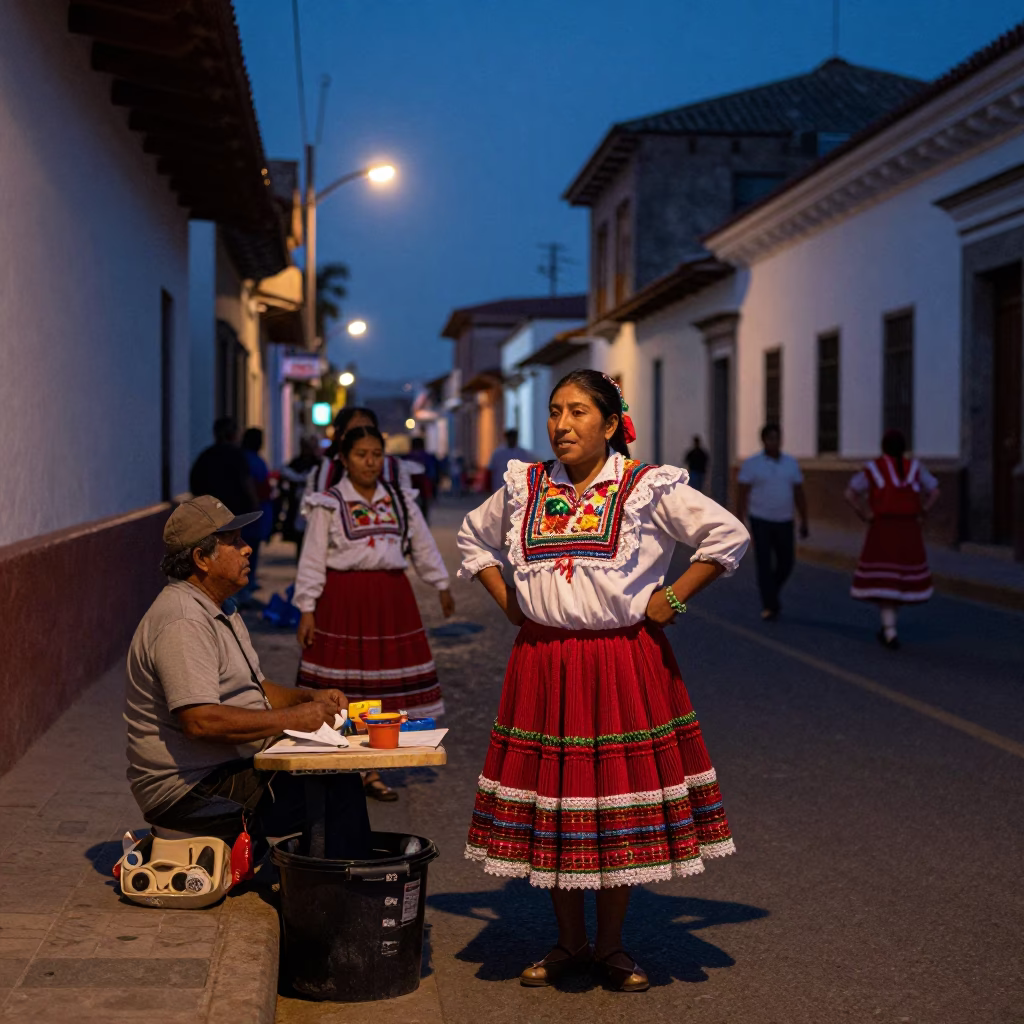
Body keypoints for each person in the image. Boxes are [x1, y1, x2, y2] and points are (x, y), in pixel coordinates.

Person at [457, 369, 748, 992]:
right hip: (543, 662)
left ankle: (612, 946)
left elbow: (727, 534)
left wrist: (675, 595)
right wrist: (511, 602)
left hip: (620, 660)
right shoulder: (525, 484)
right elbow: (472, 538)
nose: (561, 425)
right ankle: (568, 942)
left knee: (610, 802)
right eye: (555, 412)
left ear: (612, 425)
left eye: (579, 412)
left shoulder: (645, 487)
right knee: (557, 803)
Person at [125, 495, 369, 859]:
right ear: (201, 558)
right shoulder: (183, 621)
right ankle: (333, 899)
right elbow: (200, 722)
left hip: (223, 769)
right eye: (234, 542)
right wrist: (292, 720)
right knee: (333, 790)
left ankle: (327, 882)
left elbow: (255, 689)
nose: (247, 549)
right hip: (190, 790)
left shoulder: (219, 606)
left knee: (332, 772)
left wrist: (308, 699)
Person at [295, 426, 455, 801]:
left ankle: (374, 765)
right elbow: (313, 557)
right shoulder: (329, 503)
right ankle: (348, 763)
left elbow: (422, 544)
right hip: (343, 601)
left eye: (376, 454)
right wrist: (306, 608)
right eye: (361, 454)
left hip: (391, 600)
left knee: (383, 686)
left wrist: (441, 583)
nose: (369, 462)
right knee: (350, 685)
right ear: (345, 460)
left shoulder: (400, 499)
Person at [845, 430, 940, 650]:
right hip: (909, 530)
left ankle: (889, 629)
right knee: (901, 579)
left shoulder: (873, 468)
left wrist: (864, 514)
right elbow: (935, 491)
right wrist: (923, 511)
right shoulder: (915, 468)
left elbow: (849, 493)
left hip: (883, 528)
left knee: (885, 579)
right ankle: (890, 627)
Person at [736, 424, 809, 621]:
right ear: (764, 441)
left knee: (787, 562)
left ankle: (771, 591)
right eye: (770, 438)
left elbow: (799, 492)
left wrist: (804, 519)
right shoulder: (753, 464)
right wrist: (739, 520)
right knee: (764, 563)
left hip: (785, 520)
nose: (774, 442)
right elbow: (742, 492)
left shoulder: (790, 464)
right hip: (761, 520)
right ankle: (769, 604)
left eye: (777, 438)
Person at [309, 407, 414, 494]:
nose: (370, 462)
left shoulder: (395, 469)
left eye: (369, 431)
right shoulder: (323, 472)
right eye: (355, 433)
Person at [189, 417, 256, 516]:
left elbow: (195, 484)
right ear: (233, 434)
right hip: (233, 511)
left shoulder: (206, 456)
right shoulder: (236, 455)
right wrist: (253, 504)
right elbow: (246, 482)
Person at [240, 428, 273, 590]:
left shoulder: (249, 458)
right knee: (249, 547)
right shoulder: (251, 460)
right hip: (254, 509)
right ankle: (246, 583)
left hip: (255, 508)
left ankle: (248, 581)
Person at [407, 437, 440, 522]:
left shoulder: (407, 457)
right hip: (425, 487)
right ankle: (423, 523)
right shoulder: (429, 457)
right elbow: (433, 472)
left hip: (410, 487)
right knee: (425, 507)